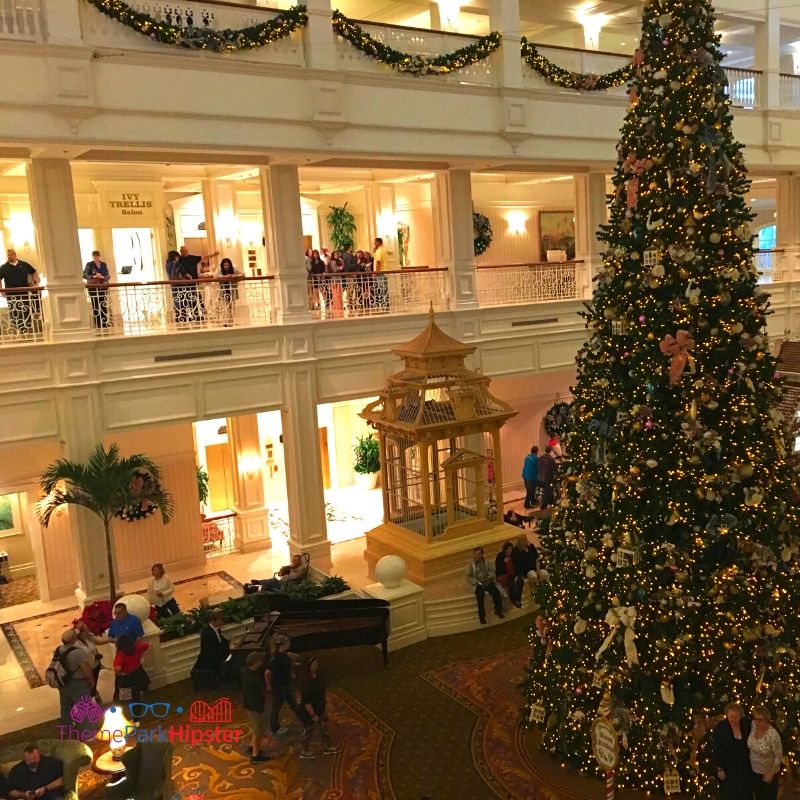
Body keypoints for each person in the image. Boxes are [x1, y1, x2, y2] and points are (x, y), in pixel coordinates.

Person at [265, 634, 310, 736]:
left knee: (293, 705)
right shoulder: (275, 659)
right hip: (279, 687)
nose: (289, 645)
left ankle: (306, 722)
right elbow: (267, 673)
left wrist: (292, 672)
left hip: (285, 685)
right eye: (288, 643)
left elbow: (288, 664)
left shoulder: (284, 654)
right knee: (276, 708)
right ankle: (274, 728)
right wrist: (268, 685)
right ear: (282, 645)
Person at [300, 656, 341, 758]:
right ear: (309, 667)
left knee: (324, 728)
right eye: (315, 664)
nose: (317, 665)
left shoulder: (318, 677)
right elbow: (306, 702)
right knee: (309, 730)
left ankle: (328, 746)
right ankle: (304, 750)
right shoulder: (306, 682)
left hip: (320, 707)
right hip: (309, 711)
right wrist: (313, 715)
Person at [53, 628, 95, 724]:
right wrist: (91, 680)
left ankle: (66, 730)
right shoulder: (78, 653)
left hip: (63, 683)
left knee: (65, 708)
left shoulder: (58, 649)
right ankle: (87, 734)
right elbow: (86, 670)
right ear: (73, 639)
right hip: (78, 684)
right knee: (84, 708)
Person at [713, 702, 753, 800]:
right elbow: (717, 749)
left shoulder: (746, 725)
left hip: (744, 769)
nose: (733, 720)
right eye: (731, 717)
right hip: (728, 770)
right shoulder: (721, 728)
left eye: (736, 717)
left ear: (741, 716)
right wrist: (719, 769)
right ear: (727, 716)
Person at [0, 248, 41, 336]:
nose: (9, 257)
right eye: (8, 255)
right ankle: (20, 331)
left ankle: (26, 330)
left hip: (24, 292)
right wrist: (1, 291)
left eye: (10, 255)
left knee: (26, 310)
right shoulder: (3, 267)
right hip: (11, 293)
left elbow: (34, 272)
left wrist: (35, 283)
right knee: (15, 312)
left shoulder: (24, 264)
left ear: (15, 255)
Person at [241, 651, 270, 763]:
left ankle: (253, 747)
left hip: (249, 704)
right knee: (259, 729)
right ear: (256, 662)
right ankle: (255, 755)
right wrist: (259, 708)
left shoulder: (245, 670)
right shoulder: (252, 679)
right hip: (254, 707)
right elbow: (253, 695)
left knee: (256, 727)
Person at [748, 705, 782, 800]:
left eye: (760, 719)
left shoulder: (773, 736)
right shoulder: (753, 725)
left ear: (767, 720)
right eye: (756, 718)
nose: (757, 722)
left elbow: (778, 757)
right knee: (758, 795)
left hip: (767, 774)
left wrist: (771, 773)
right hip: (754, 770)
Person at [465, 546, 503, 625]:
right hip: (478, 583)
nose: (477, 556)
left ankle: (498, 611)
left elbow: (492, 571)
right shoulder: (471, 564)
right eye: (475, 554)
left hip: (487, 581)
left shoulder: (486, 562)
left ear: (482, 554)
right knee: (480, 596)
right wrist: (476, 582)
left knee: (496, 593)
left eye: (479, 554)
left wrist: (489, 577)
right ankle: (482, 616)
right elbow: (468, 576)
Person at [193, 610, 231, 685]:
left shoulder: (217, 629)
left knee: (233, 655)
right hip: (210, 659)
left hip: (217, 654)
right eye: (220, 620)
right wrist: (228, 649)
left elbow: (221, 640)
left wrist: (230, 643)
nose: (222, 622)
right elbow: (213, 650)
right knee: (231, 657)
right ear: (214, 621)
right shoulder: (207, 634)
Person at [113, 634, 150, 703]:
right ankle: (140, 698)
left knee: (132, 695)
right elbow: (149, 645)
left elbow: (117, 668)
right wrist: (142, 656)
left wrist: (119, 673)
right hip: (139, 673)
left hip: (128, 677)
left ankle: (135, 707)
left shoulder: (120, 654)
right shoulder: (137, 647)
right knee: (138, 689)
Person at [74, 621, 103, 700]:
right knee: (89, 686)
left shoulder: (89, 637)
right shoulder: (77, 644)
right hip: (88, 669)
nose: (88, 630)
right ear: (82, 632)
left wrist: (110, 640)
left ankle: (95, 695)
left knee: (94, 684)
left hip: (96, 665)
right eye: (86, 629)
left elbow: (97, 642)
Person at [83, 250, 111, 330]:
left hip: (102, 287)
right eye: (94, 257)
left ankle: (104, 323)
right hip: (93, 289)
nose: (96, 258)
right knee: (95, 305)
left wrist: (102, 277)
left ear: (99, 257)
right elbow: (85, 275)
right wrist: (94, 276)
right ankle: (98, 324)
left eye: (97, 257)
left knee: (103, 305)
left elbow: (108, 275)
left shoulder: (103, 264)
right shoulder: (89, 265)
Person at [214, 257, 242, 326]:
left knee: (231, 306)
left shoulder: (234, 269)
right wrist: (225, 277)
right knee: (225, 307)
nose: (226, 267)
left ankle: (230, 321)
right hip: (223, 290)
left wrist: (234, 276)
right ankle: (225, 321)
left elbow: (242, 274)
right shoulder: (219, 270)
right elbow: (215, 276)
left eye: (228, 265)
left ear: (230, 265)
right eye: (225, 265)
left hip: (232, 290)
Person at [495, 541, 523, 609]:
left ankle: (518, 600)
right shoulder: (500, 556)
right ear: (504, 550)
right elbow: (498, 569)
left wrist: (517, 575)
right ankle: (514, 600)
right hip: (505, 575)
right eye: (507, 549)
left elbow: (518, 566)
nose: (509, 551)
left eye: (510, 549)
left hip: (513, 574)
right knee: (511, 584)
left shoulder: (514, 555)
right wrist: (504, 563)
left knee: (520, 581)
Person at [537, 445, 558, 511]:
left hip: (540, 478)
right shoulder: (551, 459)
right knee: (548, 491)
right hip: (548, 478)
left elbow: (538, 466)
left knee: (549, 490)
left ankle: (552, 502)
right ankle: (544, 506)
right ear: (551, 451)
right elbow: (553, 470)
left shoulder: (540, 457)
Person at [372, 238, 389, 310]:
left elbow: (378, 262)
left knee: (382, 289)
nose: (374, 244)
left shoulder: (379, 251)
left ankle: (384, 304)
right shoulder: (383, 250)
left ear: (378, 243)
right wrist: (374, 250)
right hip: (384, 272)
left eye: (375, 242)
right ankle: (385, 304)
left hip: (380, 272)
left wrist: (376, 273)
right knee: (384, 288)